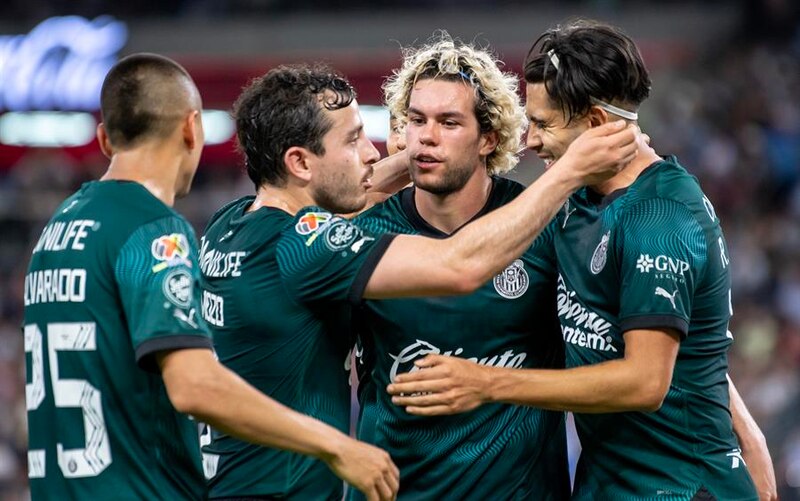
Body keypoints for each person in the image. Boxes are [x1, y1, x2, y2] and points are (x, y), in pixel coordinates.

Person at [198, 62, 639, 499]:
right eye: (354, 140)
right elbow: (459, 265)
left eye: (448, 122)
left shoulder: (229, 223)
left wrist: (420, 154)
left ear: (488, 138)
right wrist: (569, 172)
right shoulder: (313, 244)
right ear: (299, 162)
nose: (375, 153)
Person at [386, 20, 776, 501]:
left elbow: (645, 380)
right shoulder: (576, 203)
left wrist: (487, 383)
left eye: (545, 124)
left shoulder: (661, 217)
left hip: (681, 487)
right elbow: (685, 335)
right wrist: (408, 157)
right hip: (605, 484)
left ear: (595, 124)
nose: (529, 141)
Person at [22, 53, 400, 501]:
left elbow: (340, 195)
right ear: (192, 128)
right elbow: (195, 386)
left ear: (105, 139)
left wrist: (412, 162)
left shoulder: (60, 229)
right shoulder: (154, 233)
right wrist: (336, 445)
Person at [348, 35, 568, 500]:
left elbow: (628, 330)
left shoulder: (544, 224)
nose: (426, 137)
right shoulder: (361, 232)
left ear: (489, 138)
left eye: (449, 122)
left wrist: (736, 420)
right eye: (416, 120)